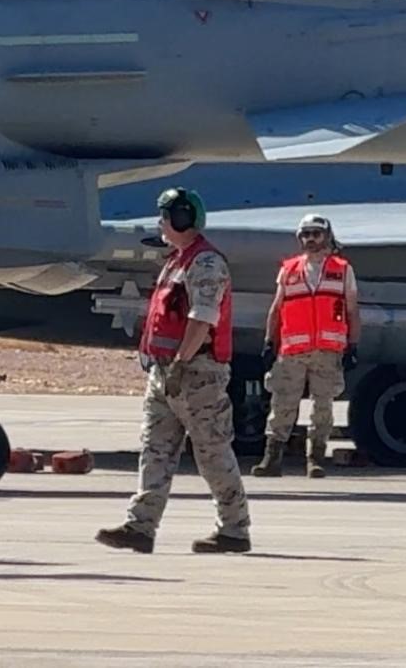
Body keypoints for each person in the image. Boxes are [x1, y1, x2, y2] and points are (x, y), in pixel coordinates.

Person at [97, 187, 252, 555]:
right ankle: (141, 526)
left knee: (212, 451)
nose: (160, 223)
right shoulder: (176, 261)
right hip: (166, 372)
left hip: (197, 373)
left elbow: (203, 318)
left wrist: (182, 362)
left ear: (181, 218)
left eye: (166, 215)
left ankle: (234, 529)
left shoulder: (206, 264)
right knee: (155, 449)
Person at [254, 213, 357, 478]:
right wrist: (269, 342)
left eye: (316, 234)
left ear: (327, 236)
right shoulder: (288, 270)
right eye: (306, 234)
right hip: (292, 351)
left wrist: (352, 346)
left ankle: (315, 459)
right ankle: (272, 458)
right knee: (282, 404)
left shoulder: (342, 270)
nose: (311, 239)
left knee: (323, 407)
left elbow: (352, 311)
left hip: (327, 350)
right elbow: (276, 309)